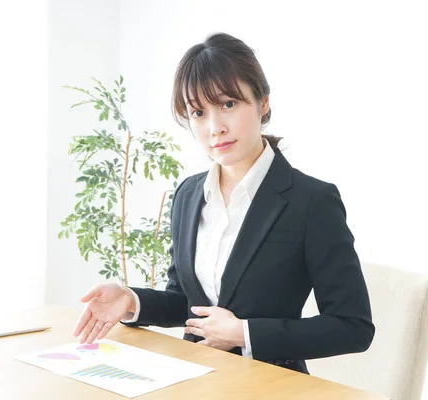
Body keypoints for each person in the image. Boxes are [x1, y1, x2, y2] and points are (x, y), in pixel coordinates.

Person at [72, 32, 374, 375]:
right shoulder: (188, 194)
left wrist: (244, 333)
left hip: (272, 385)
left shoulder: (312, 201)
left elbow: (353, 327)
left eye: (228, 104)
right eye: (198, 112)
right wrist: (131, 300)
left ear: (263, 103)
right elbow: (190, 303)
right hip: (195, 378)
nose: (215, 127)